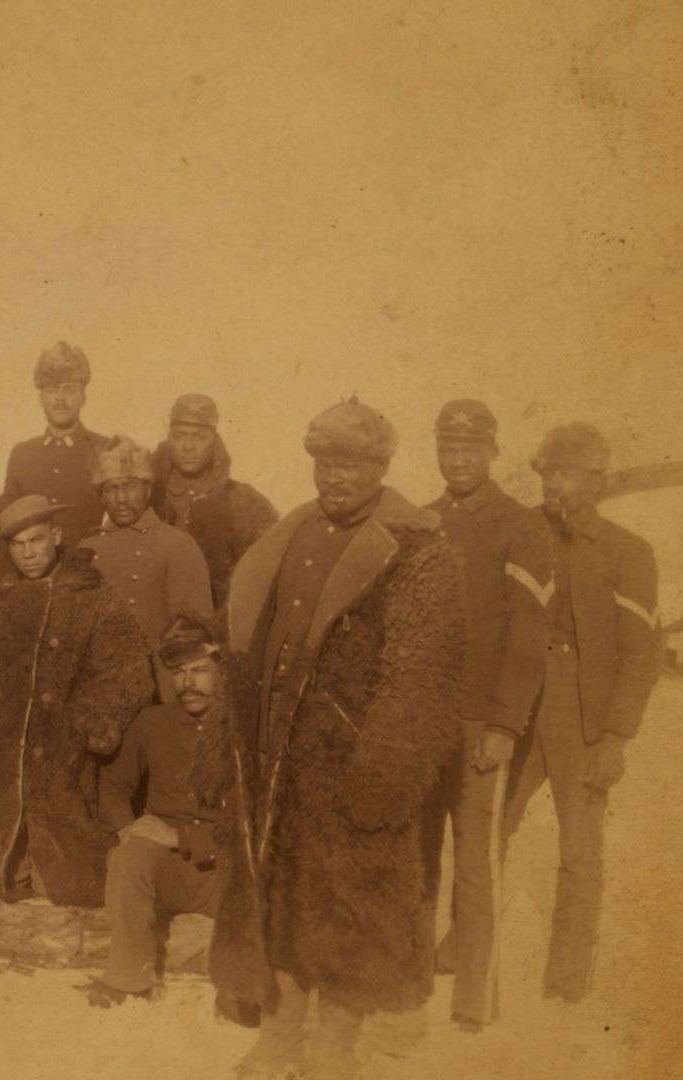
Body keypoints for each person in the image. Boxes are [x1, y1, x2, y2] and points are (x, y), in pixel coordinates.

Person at [200, 398, 463, 1078]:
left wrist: (383, 773)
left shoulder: (416, 551)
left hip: (354, 763)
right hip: (276, 754)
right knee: (279, 897)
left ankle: (334, 1050)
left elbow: (421, 674)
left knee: (351, 908)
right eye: (325, 462)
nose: (334, 476)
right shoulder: (291, 535)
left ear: (380, 466)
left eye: (350, 463)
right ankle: (280, 1039)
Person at [502, 422, 660, 1004]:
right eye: (547, 472)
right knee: (491, 827)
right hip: (519, 703)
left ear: (594, 481)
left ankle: (566, 982)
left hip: (584, 710)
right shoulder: (520, 536)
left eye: (565, 473)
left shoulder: (627, 552)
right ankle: (474, 955)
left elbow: (641, 653)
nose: (553, 485)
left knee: (580, 850)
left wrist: (616, 736)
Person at [0, 494, 151, 904]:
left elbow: (124, 668)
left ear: (56, 535)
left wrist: (86, 724)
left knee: (68, 858)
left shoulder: (93, 598)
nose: (28, 553)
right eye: (17, 545)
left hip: (63, 747)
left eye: (35, 540)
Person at [424, 400, 553, 1029]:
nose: (458, 458)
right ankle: (409, 987)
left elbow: (529, 637)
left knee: (474, 868)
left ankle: (474, 1004)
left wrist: (505, 724)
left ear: (494, 450)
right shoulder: (421, 522)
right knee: (417, 860)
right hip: (423, 725)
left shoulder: (520, 525)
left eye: (470, 447)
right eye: (448, 447)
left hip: (482, 726)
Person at [87, 613, 224, 1007]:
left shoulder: (242, 728)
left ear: (222, 672)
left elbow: (260, 821)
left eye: (200, 670)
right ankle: (129, 979)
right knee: (128, 857)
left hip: (226, 866)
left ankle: (242, 984)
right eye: (179, 672)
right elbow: (112, 786)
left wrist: (181, 836)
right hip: (169, 868)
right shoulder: (153, 721)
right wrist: (127, 828)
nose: (188, 683)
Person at [78, 435, 212, 700]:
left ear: (148, 490)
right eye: (111, 488)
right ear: (101, 495)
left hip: (160, 690)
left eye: (130, 486)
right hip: (103, 691)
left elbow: (194, 635)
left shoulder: (177, 544)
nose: (121, 498)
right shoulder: (87, 549)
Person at [150, 393, 278, 608]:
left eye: (200, 437)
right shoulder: (148, 496)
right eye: (180, 436)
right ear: (169, 439)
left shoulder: (243, 501)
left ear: (215, 441)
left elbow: (264, 573)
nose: (188, 446)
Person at [0, 341, 110, 546]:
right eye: (52, 390)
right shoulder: (23, 454)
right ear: (41, 398)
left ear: (83, 397)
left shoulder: (105, 449)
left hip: (89, 568)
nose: (60, 398)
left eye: (69, 389)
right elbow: (3, 517)